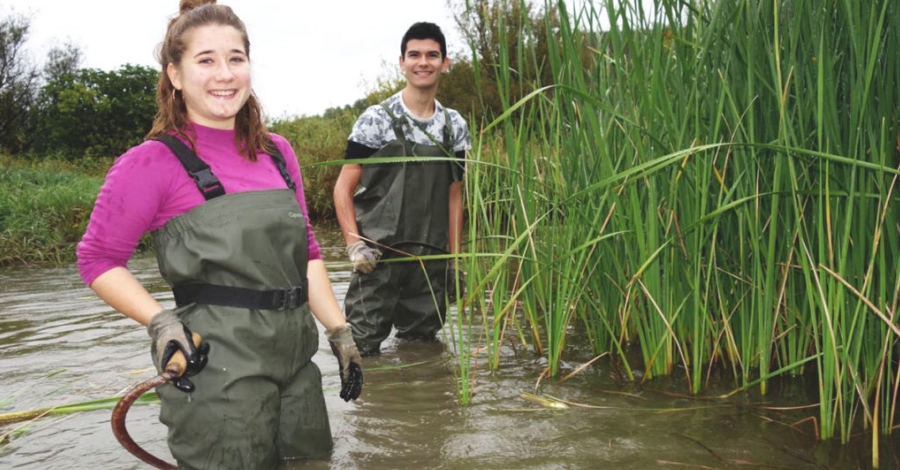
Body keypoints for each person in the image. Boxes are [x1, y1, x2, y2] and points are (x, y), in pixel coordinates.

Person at [75, 1, 362, 468]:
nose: (224, 74)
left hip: (297, 364)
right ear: (175, 74)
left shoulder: (278, 153)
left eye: (235, 58)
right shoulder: (150, 163)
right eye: (205, 60)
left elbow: (308, 252)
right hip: (218, 367)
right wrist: (162, 323)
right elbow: (97, 259)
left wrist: (339, 330)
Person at [333, 21, 471, 356]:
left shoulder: (454, 126)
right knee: (362, 349)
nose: (423, 62)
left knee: (423, 350)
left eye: (432, 55)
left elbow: (455, 195)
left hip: (429, 258)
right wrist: (354, 246)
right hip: (378, 256)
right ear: (402, 62)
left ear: (445, 63)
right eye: (415, 55)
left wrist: (453, 259)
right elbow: (343, 187)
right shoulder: (375, 119)